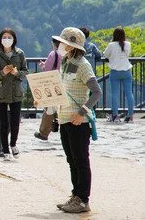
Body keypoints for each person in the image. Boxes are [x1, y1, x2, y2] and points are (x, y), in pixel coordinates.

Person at [43, 27, 102, 214]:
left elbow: (96, 92)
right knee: (72, 160)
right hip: (64, 118)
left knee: (81, 160)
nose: (60, 46)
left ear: (72, 46)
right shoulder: (66, 62)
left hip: (78, 122)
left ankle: (83, 200)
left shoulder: (83, 65)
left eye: (64, 43)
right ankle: (76, 195)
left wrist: (82, 112)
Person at [0, 28, 28, 161]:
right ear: (0, 39)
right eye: (4, 37)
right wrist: (2, 72)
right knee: (3, 123)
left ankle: (13, 144)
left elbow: (25, 72)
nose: (7, 40)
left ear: (14, 39)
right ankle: (5, 149)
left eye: (9, 37)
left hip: (16, 92)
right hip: (1, 93)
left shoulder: (20, 53)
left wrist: (17, 73)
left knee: (15, 122)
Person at [103, 27, 134, 123]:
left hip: (115, 72)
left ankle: (115, 115)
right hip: (127, 71)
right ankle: (130, 115)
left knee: (115, 94)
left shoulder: (111, 45)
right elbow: (127, 54)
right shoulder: (128, 44)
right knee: (129, 93)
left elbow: (105, 54)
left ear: (114, 35)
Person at [36, 39, 62, 140]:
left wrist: (43, 65)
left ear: (53, 44)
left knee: (49, 108)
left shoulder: (53, 54)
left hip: (52, 83)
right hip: (62, 82)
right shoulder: (65, 55)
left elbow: (47, 69)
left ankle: (44, 132)